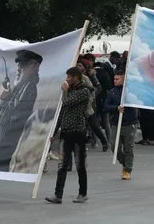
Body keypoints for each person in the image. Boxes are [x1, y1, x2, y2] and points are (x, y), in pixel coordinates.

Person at [0, 49, 42, 171]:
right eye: (18, 64)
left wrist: (4, 99)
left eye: (23, 64)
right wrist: (8, 94)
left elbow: (12, 118)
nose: (18, 68)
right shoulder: (21, 87)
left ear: (34, 66)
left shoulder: (29, 88)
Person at [46, 67, 91, 204]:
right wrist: (54, 132)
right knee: (62, 165)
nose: (67, 80)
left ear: (76, 77)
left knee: (79, 165)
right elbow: (62, 112)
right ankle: (58, 195)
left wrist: (65, 91)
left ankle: (82, 193)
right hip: (65, 132)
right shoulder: (70, 91)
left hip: (78, 132)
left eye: (69, 77)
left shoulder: (84, 91)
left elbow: (67, 102)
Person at [104, 68, 138, 180]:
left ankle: (128, 169)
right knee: (114, 147)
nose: (115, 80)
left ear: (124, 80)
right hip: (116, 123)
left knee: (129, 147)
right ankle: (124, 162)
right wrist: (116, 108)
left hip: (129, 124)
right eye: (114, 78)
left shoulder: (130, 91)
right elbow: (106, 107)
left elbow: (137, 103)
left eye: (117, 79)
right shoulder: (112, 92)